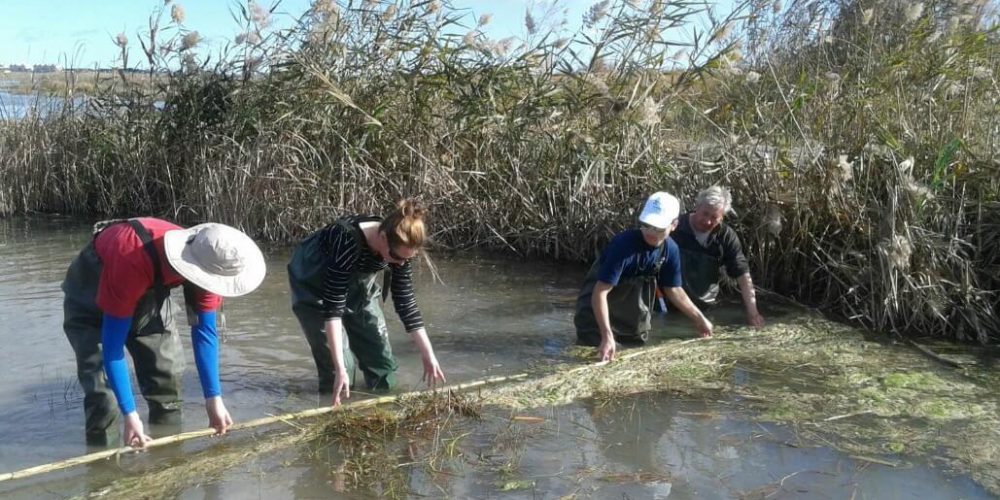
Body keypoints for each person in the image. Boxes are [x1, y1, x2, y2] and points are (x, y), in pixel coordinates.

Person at [62, 218, 266, 448]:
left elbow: (205, 333)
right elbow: (112, 349)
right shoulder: (132, 258)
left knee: (166, 379)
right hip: (92, 299)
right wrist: (130, 414)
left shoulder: (212, 262)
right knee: (103, 397)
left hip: (148, 296)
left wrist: (213, 398)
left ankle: (169, 462)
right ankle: (104, 471)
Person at [287, 198, 446, 406]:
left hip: (359, 284)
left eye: (407, 259)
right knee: (341, 369)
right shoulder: (345, 238)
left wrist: (428, 355)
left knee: (382, 362)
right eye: (396, 257)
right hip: (313, 284)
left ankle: (385, 409)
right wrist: (341, 369)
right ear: (382, 237)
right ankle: (332, 411)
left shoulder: (400, 249)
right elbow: (333, 307)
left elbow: (406, 303)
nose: (400, 264)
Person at [574, 192, 714, 362]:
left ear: (674, 225)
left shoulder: (671, 250)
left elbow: (674, 290)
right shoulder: (623, 246)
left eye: (658, 228)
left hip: (632, 320)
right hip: (595, 316)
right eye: (647, 225)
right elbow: (600, 293)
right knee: (594, 361)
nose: (651, 232)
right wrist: (606, 335)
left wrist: (699, 319)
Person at [672, 186, 764, 328]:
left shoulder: (726, 236)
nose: (708, 221)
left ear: (722, 217)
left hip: (706, 308)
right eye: (705, 214)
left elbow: (742, 274)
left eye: (714, 217)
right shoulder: (675, 228)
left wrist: (753, 313)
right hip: (670, 305)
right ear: (697, 206)